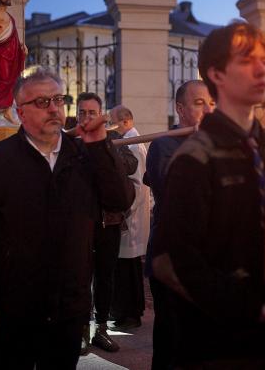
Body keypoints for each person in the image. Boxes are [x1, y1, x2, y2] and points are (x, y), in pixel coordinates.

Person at [153, 21, 265, 368]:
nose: (260, 69)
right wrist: (253, 308)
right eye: (245, 61)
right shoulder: (195, 157)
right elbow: (177, 261)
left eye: (263, 60)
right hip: (223, 346)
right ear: (217, 74)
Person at [0, 66, 134, 370]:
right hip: (13, 307)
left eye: (58, 99)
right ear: (19, 112)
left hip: (68, 307)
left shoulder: (84, 155)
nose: (54, 109)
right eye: (42, 102)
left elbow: (119, 200)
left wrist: (100, 146)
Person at [143, 79, 214, 370]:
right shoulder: (163, 145)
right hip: (171, 262)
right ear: (180, 109)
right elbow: (176, 193)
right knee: (171, 341)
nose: (208, 110)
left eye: (211, 103)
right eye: (199, 103)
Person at [77, 92, 138, 354]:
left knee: (105, 277)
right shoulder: (71, 143)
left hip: (109, 222)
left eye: (92, 113)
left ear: (100, 116)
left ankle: (100, 328)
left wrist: (104, 148)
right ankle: (80, 330)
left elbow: (130, 164)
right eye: (83, 113)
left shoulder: (112, 140)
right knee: (80, 278)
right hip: (81, 223)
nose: (87, 118)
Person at [109, 105, 151, 331]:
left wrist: (125, 210)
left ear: (124, 122)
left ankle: (131, 313)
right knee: (128, 267)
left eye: (113, 122)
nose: (110, 127)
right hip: (133, 213)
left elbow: (134, 183)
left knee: (128, 269)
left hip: (131, 214)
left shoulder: (131, 144)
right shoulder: (132, 141)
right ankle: (128, 311)